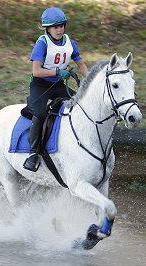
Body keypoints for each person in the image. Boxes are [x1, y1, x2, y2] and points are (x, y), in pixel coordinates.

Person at [23, 7, 88, 172]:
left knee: (79, 104)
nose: (59, 29)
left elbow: (81, 64)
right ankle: (34, 152)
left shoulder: (69, 43)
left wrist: (89, 81)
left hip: (58, 85)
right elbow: (36, 71)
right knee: (41, 113)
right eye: (55, 27)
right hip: (41, 85)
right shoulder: (42, 44)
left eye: (61, 26)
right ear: (47, 28)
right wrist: (58, 71)